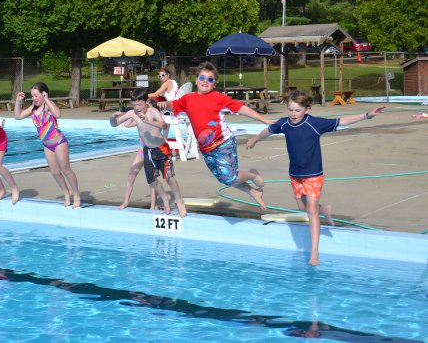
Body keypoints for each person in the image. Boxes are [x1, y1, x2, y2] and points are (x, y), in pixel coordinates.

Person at [246, 90, 386, 266]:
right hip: (295, 175)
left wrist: (367, 115)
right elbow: (268, 130)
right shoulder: (284, 124)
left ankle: (314, 252)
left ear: (307, 109)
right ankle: (324, 209)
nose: (293, 114)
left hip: (313, 174)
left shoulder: (314, 123)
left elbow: (341, 121)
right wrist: (255, 140)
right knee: (303, 206)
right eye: (290, 110)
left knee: (311, 211)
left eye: (297, 110)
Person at [162, 61, 272, 209]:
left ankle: (253, 175)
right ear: (196, 80)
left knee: (230, 177)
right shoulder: (188, 99)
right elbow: (174, 105)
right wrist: (164, 104)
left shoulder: (218, 97)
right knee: (224, 178)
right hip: (206, 149)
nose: (205, 81)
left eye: (210, 79)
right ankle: (253, 192)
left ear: (214, 83)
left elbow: (241, 108)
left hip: (223, 143)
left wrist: (263, 119)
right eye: (202, 78)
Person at [110, 88, 187, 217]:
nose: (136, 107)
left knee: (169, 177)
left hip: (161, 149)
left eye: (139, 104)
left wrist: (148, 121)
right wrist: (112, 118)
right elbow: (114, 124)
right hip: (148, 150)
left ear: (146, 102)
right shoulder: (132, 113)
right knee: (151, 180)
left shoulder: (153, 111)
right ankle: (164, 198)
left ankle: (179, 201)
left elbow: (163, 125)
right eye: (134, 105)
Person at [14, 82, 81, 208]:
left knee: (65, 170)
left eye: (36, 95)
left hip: (58, 142)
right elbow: (18, 116)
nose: (33, 98)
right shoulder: (33, 108)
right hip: (47, 145)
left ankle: (76, 194)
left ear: (43, 94)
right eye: (32, 96)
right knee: (55, 172)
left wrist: (47, 100)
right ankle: (67, 193)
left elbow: (58, 114)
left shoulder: (48, 106)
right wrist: (18, 101)